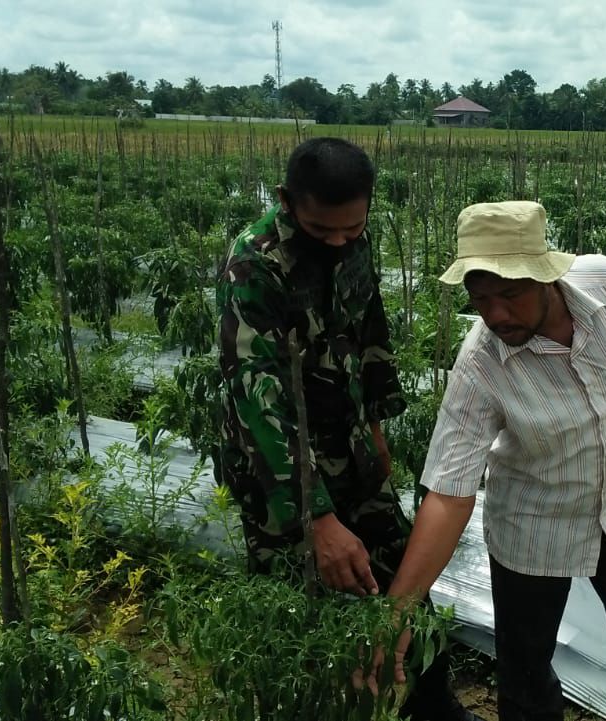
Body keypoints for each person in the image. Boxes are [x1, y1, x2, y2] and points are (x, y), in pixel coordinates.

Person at [384, 200, 606, 721]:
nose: (497, 314)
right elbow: (448, 491)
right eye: (481, 298)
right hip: (533, 531)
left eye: (510, 294)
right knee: (526, 672)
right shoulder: (480, 366)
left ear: (546, 277)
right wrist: (398, 612)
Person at [216, 136, 479, 721]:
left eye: (351, 229)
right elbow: (254, 400)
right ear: (286, 201)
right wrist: (317, 516)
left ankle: (432, 704)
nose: (338, 242)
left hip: (353, 449)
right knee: (298, 600)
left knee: (402, 575)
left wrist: (378, 424)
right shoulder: (253, 264)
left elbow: (369, 330)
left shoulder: (356, 242)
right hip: (283, 474)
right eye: (321, 230)